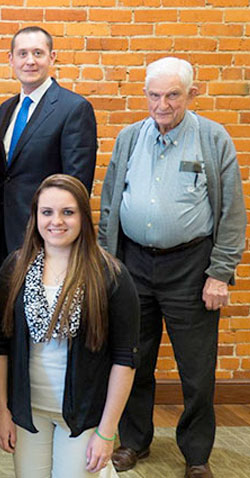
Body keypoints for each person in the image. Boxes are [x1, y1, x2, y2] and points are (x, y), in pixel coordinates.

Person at [99, 57, 245, 478]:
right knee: (132, 359)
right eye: (154, 95)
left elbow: (232, 213)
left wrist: (220, 273)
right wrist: (110, 263)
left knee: (196, 370)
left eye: (172, 95)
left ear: (191, 95)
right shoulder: (130, 138)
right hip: (133, 264)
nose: (161, 105)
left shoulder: (213, 139)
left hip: (191, 266)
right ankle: (133, 442)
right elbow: (110, 204)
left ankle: (196, 455)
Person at [0, 174, 139, 478]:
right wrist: (3, 412)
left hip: (82, 415)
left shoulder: (111, 275)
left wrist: (107, 432)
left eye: (68, 212)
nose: (57, 221)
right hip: (29, 412)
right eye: (47, 212)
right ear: (35, 217)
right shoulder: (15, 269)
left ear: (83, 216)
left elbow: (126, 358)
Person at [0, 26, 98, 282]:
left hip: (46, 238)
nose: (30, 61)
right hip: (3, 238)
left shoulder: (74, 109)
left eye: (38, 53)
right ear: (11, 59)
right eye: (22, 54)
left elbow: (76, 184)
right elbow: (2, 178)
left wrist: (59, 236)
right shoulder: (7, 109)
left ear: (52, 57)